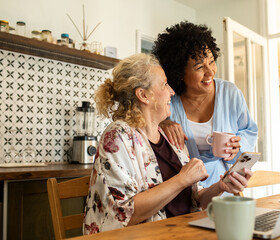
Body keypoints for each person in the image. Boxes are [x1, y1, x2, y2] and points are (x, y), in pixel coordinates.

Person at [83, 53, 252, 234]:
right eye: (164, 84)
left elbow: (194, 199)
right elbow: (125, 213)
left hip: (181, 232)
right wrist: (182, 179)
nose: (172, 91)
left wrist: (221, 186)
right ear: (143, 95)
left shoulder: (169, 136)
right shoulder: (118, 135)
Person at [152, 21, 258, 188]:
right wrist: (160, 124)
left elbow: (249, 131)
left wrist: (238, 146)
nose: (210, 72)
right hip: (182, 190)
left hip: (224, 184)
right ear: (179, 72)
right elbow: (145, 131)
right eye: (200, 67)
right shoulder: (168, 100)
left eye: (212, 61)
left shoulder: (230, 93)